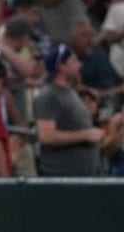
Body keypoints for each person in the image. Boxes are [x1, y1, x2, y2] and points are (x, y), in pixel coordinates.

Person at [34, 43, 104, 176]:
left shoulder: (69, 92)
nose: (80, 65)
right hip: (62, 179)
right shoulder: (49, 95)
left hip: (81, 178)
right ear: (61, 66)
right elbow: (46, 136)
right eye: (74, 61)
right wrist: (85, 135)